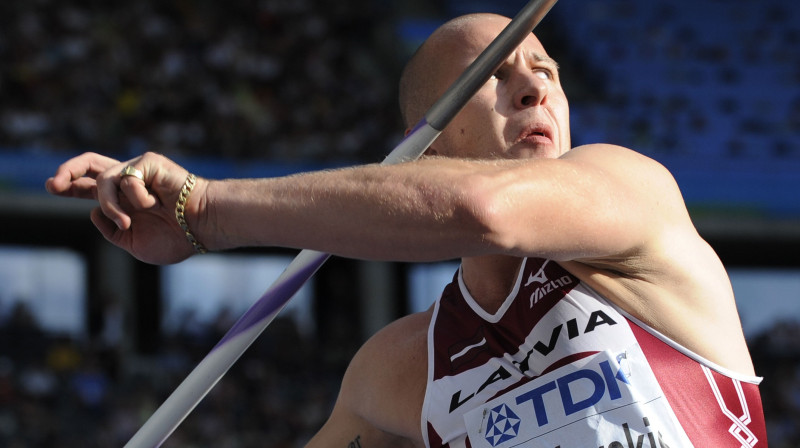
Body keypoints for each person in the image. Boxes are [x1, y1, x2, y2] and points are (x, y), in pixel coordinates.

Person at [46, 13, 767, 448]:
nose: (534, 86)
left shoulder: (633, 198)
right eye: (494, 74)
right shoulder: (398, 370)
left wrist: (205, 210)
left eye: (546, 71)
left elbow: (487, 209)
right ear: (422, 146)